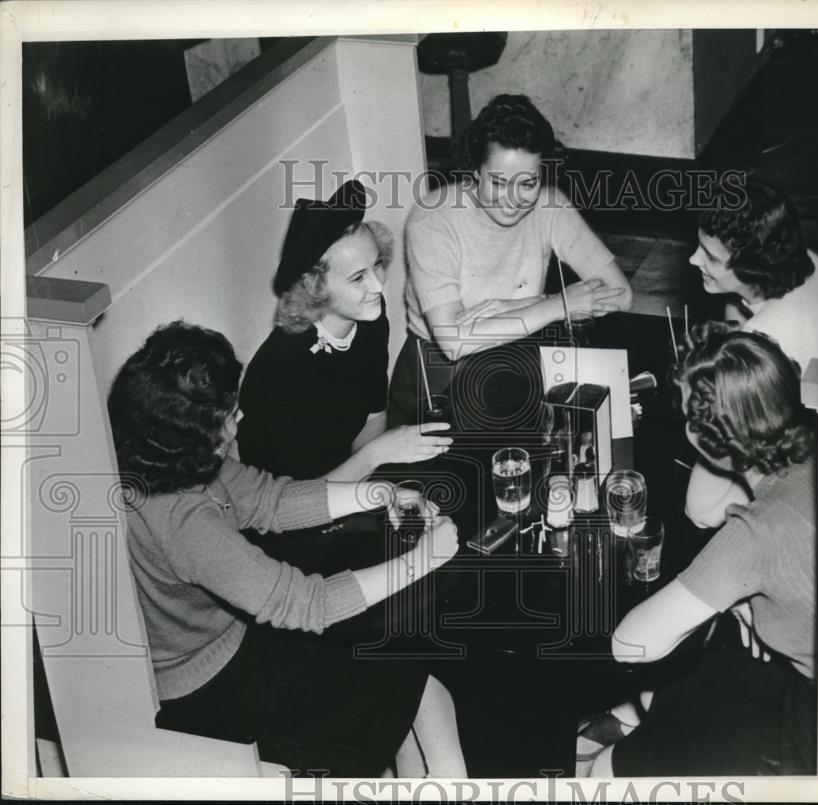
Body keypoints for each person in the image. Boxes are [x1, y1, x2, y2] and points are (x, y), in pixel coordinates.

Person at [109, 321, 464, 777]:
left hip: (233, 639)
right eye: (228, 414)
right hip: (210, 683)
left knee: (404, 669)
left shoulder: (166, 459)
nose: (238, 419)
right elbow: (305, 603)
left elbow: (270, 500)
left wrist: (380, 494)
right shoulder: (184, 522)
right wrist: (421, 561)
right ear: (194, 434)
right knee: (401, 671)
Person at [591, 326, 818, 777]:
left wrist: (738, 600)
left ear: (706, 436)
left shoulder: (753, 535)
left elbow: (630, 644)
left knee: (605, 769)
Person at [387, 93, 634, 427]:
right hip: (439, 375)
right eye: (499, 182)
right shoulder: (432, 219)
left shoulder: (550, 207)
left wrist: (527, 303)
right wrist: (558, 305)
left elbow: (622, 294)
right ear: (475, 169)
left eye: (528, 182)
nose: (513, 200)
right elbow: (454, 341)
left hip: (521, 349)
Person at [685, 178, 818, 527]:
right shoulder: (804, 262)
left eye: (711, 258)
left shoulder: (770, 334)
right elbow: (738, 317)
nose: (692, 259)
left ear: (750, 268)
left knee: (700, 509)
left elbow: (700, 505)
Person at [237, 179, 452, 482]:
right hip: (290, 506)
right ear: (315, 286)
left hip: (350, 477)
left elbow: (373, 418)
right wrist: (379, 457)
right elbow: (297, 498)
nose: (377, 286)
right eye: (357, 278)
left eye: (377, 265)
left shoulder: (370, 323)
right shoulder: (283, 367)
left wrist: (378, 477)